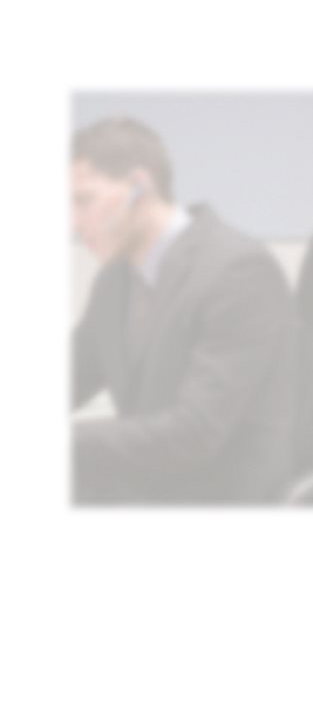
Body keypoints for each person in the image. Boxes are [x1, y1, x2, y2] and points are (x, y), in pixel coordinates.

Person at [71, 117, 294, 503]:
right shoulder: (115, 280)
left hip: (219, 497)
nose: (74, 224)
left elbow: (195, 433)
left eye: (84, 201)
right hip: (145, 485)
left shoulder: (237, 271)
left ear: (138, 187)